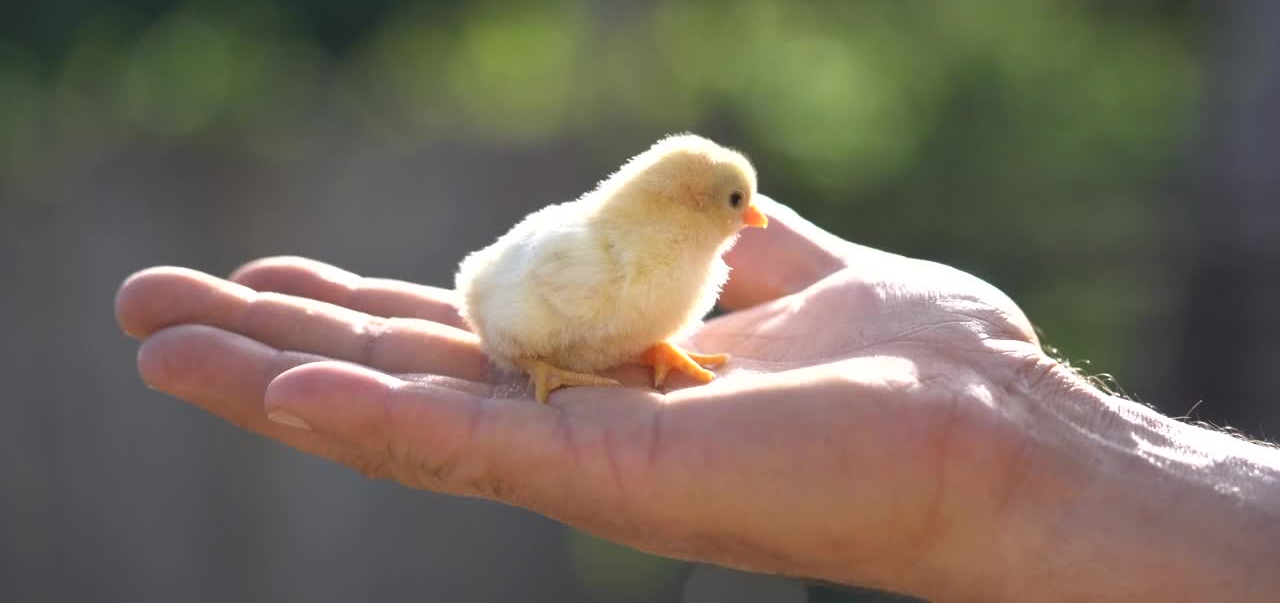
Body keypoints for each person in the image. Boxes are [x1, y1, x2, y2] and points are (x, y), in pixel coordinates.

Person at [114, 196, 1280, 601]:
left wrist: (1017, 450)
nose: (749, 221)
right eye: (731, 202)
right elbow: (505, 299)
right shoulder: (610, 254)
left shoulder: (679, 262)